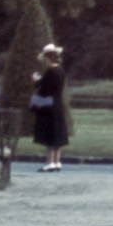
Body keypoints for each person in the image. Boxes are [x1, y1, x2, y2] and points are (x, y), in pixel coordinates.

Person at [30, 44, 69, 172]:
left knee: (50, 133)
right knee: (58, 132)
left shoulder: (50, 71)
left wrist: (36, 80)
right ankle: (57, 162)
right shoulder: (61, 71)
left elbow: (43, 88)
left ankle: (50, 162)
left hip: (49, 104)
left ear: (49, 58)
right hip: (58, 103)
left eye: (46, 58)